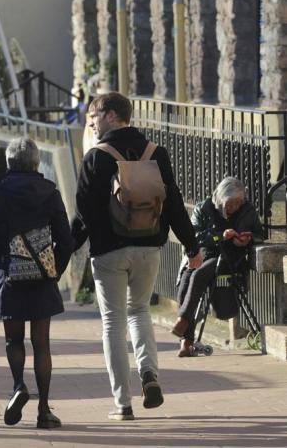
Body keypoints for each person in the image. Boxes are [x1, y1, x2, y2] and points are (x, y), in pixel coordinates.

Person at [71, 92, 203, 421]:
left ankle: (122, 403)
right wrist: (192, 246)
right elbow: (173, 202)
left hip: (108, 253)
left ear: (113, 116)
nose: (92, 122)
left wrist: (63, 253)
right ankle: (150, 375)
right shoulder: (155, 153)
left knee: (113, 323)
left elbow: (83, 213)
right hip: (149, 247)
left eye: (96, 116)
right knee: (140, 311)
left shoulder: (96, 157)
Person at [0, 137, 72, 429]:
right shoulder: (51, 193)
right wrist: (53, 268)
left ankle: (19, 385)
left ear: (9, 163)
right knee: (41, 343)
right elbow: (66, 239)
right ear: (36, 162)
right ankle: (44, 410)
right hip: (42, 278)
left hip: (10, 277)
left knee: (13, 340)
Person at [172, 177, 263, 356]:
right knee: (186, 279)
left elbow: (260, 234)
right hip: (203, 254)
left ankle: (182, 320)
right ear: (221, 200)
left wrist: (247, 239)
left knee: (198, 275)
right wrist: (220, 236)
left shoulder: (248, 211)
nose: (234, 208)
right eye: (230, 204)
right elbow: (194, 237)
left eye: (237, 203)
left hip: (230, 258)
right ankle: (186, 342)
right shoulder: (203, 208)